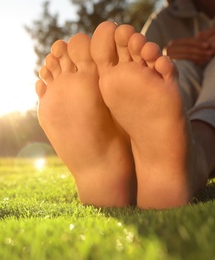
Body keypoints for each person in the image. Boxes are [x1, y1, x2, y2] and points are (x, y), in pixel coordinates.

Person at [35, 5, 215, 209]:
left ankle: (193, 158)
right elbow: (144, 56)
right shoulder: (164, 19)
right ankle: (133, 164)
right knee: (174, 72)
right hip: (183, 75)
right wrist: (168, 52)